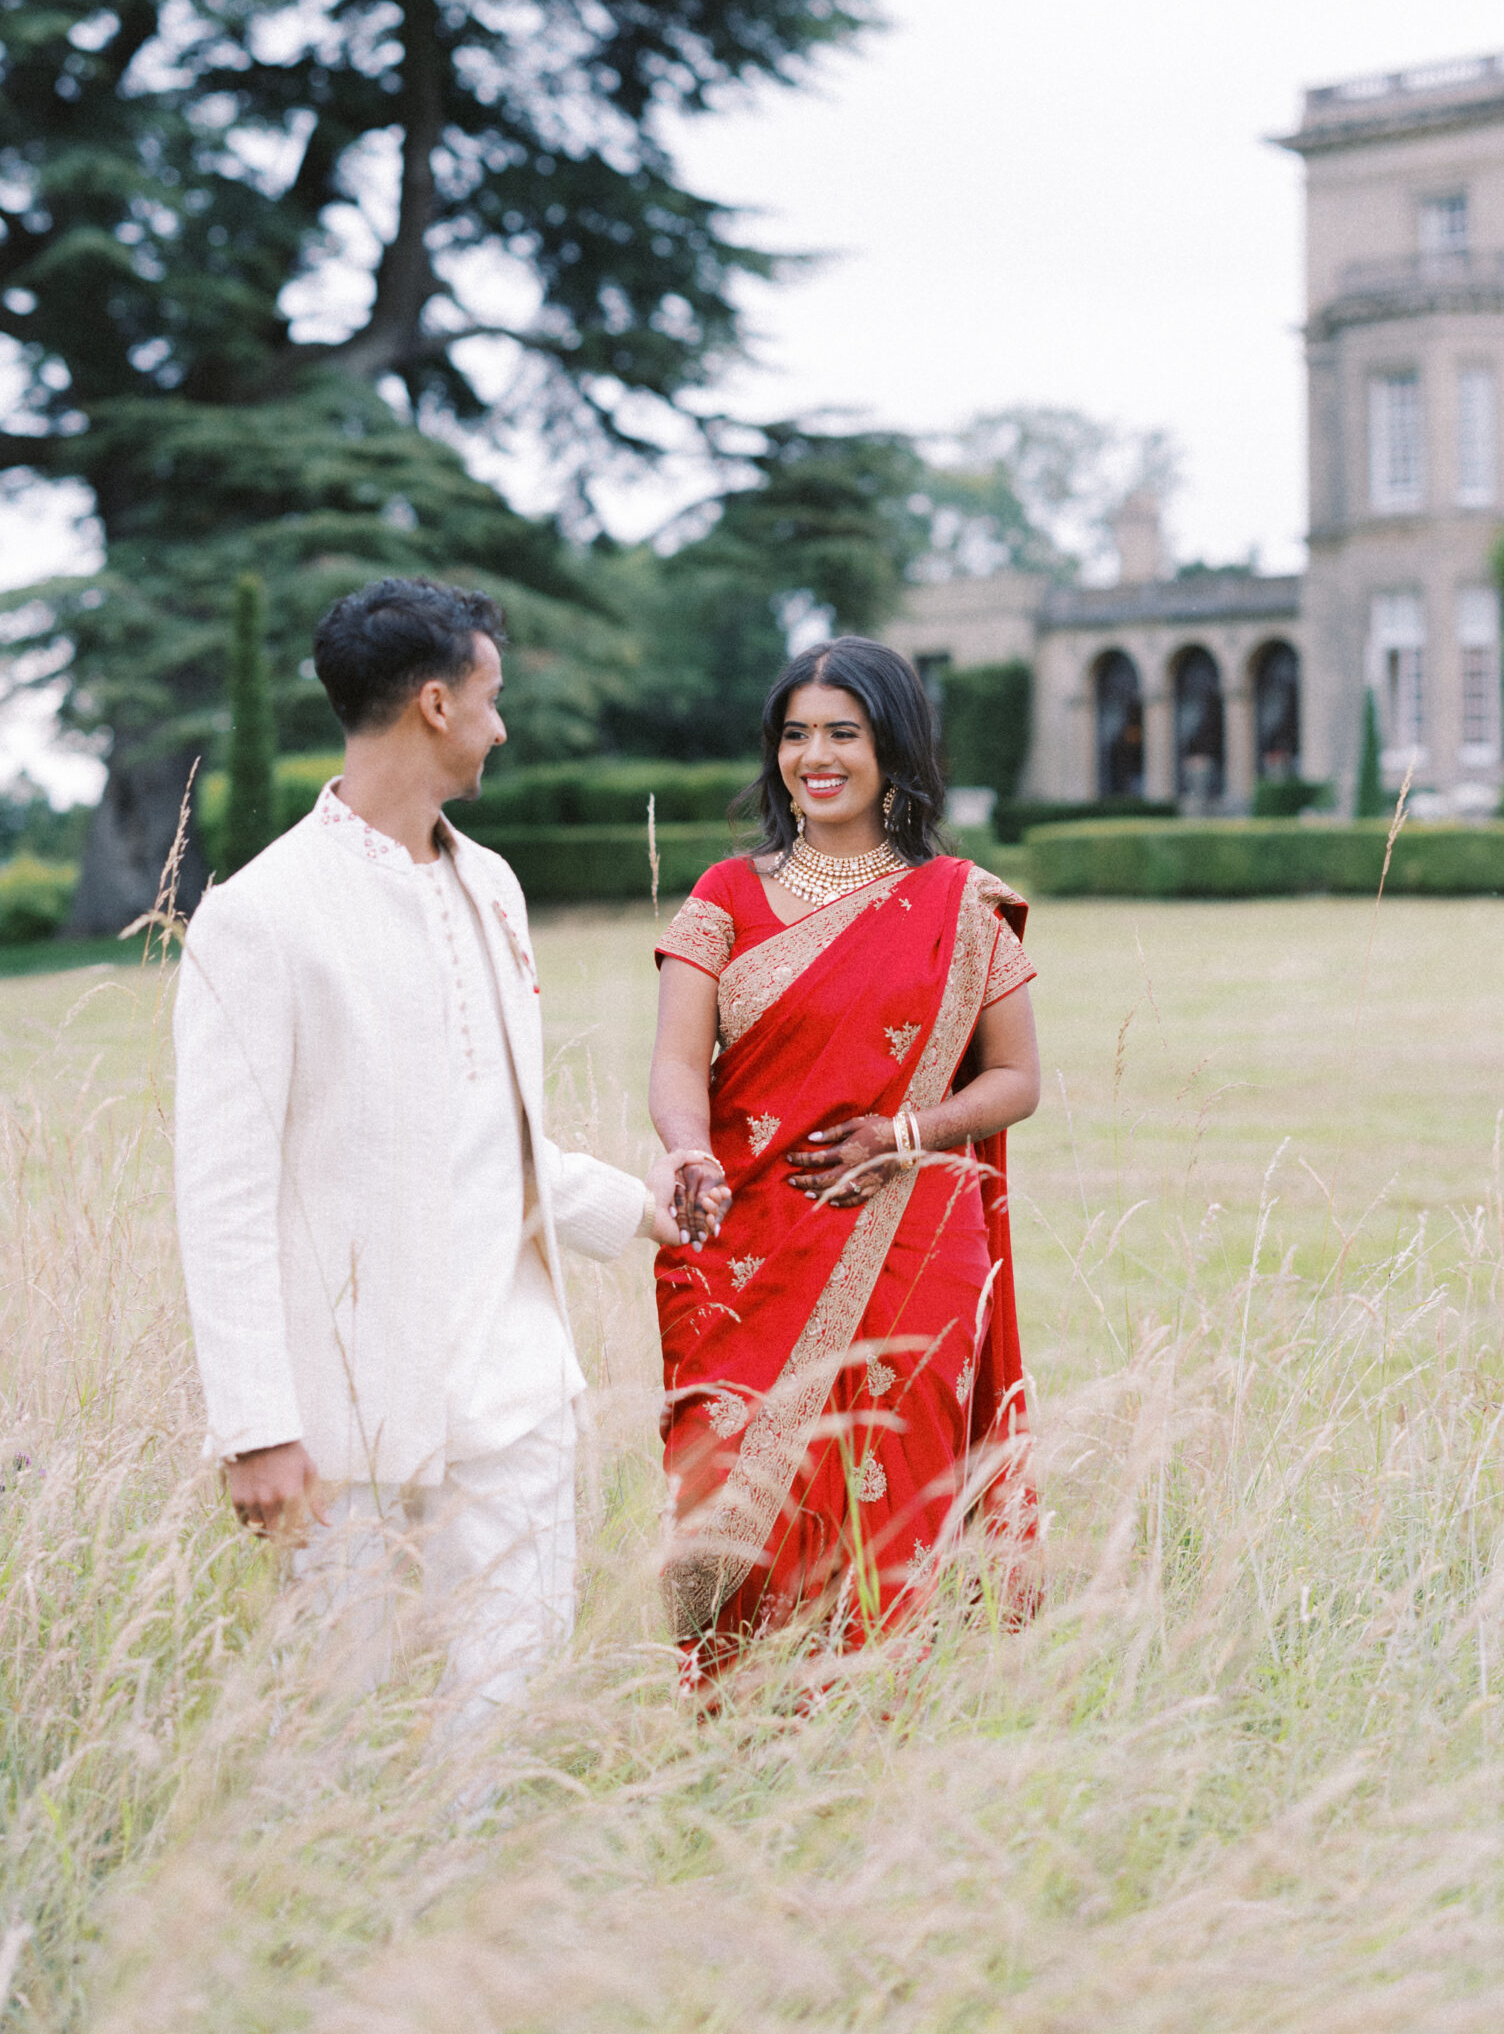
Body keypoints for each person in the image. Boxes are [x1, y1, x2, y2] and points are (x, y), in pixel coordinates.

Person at [173, 576, 721, 1731]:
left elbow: (495, 1132)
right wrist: (256, 1426)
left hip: (519, 1388)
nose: (502, 724)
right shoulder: (258, 914)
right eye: (490, 696)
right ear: (433, 703)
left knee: (504, 1719)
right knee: (338, 1742)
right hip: (353, 1416)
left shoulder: (494, 885)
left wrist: (645, 1206)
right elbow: (219, 1196)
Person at [649, 636, 1041, 1673]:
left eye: (841, 732)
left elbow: (1016, 1079)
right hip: (744, 1239)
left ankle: (874, 1726)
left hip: (912, 1242)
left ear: (892, 746)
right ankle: (737, 1739)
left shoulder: (959, 903)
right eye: (793, 734)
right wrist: (687, 1152)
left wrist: (906, 1133)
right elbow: (678, 1065)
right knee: (726, 1491)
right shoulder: (725, 894)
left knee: (887, 1493)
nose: (812, 756)